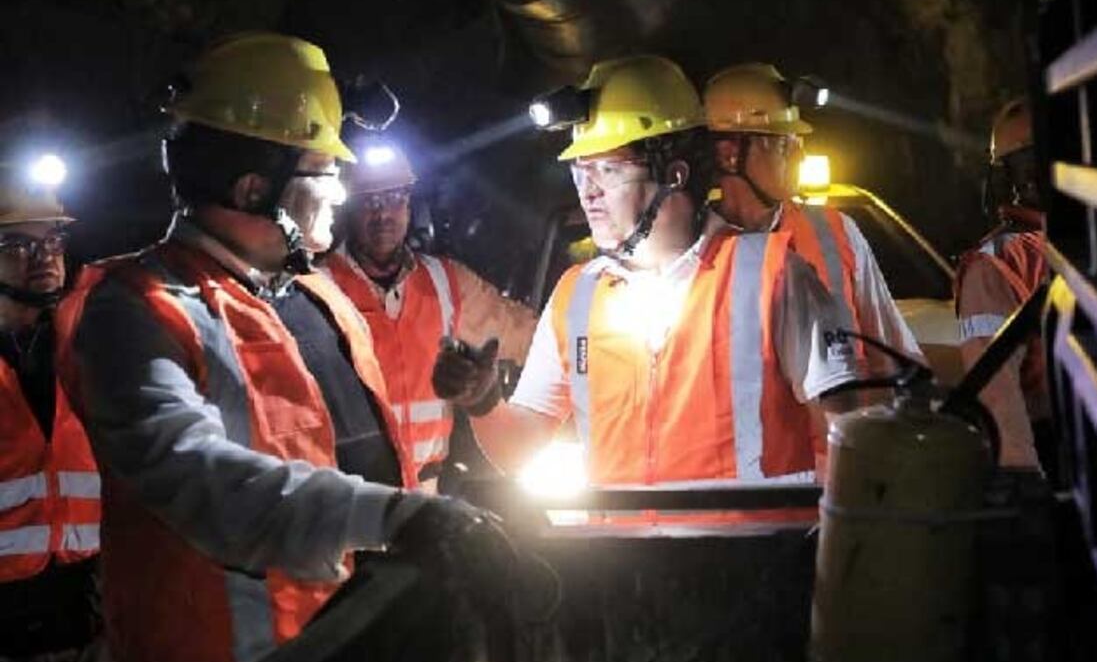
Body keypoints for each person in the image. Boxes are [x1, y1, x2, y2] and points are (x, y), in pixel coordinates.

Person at [54, 32, 511, 662]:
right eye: (325, 172)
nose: (342, 192)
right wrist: (396, 515)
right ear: (251, 188)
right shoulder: (138, 312)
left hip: (364, 646)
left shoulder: (320, 299)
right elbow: (199, 478)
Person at [464, 55, 872, 497]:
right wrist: (483, 401)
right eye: (580, 172)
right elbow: (519, 451)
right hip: (618, 559)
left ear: (675, 173)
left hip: (752, 557)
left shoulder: (772, 276)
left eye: (610, 169)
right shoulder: (576, 296)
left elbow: (846, 433)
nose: (589, 191)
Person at [322, 141, 536, 488]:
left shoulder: (446, 282)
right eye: (370, 202)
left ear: (409, 203)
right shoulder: (319, 287)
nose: (383, 215)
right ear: (349, 207)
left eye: (394, 198)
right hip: (349, 497)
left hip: (425, 493)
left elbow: (532, 338)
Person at [702, 63, 922, 383]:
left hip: (847, 431)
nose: (799, 157)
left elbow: (895, 355)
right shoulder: (691, 253)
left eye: (798, 143)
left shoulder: (836, 231)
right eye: (783, 144)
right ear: (728, 154)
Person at [0, 174, 107, 662]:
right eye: (17, 244)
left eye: (52, 242)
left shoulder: (92, 347)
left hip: (92, 617)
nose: (43, 257)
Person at [954, 99, 1047, 469]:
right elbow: (998, 401)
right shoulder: (996, 264)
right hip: (1062, 458)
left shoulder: (1093, 241)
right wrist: (1025, 487)